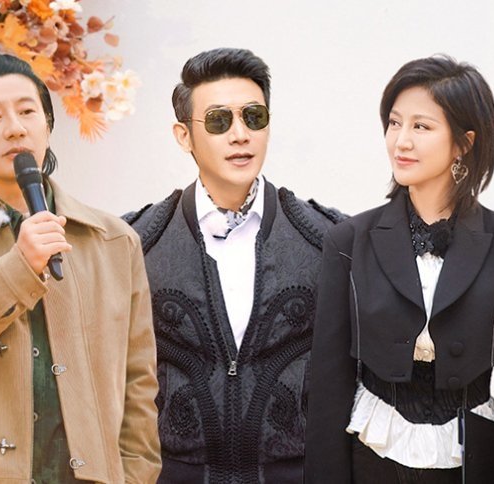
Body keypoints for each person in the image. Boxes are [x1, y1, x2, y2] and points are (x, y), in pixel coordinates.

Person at [0, 53, 161, 483]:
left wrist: (135, 475)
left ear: (47, 124)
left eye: (28, 112)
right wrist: (19, 265)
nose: (15, 128)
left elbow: (138, 380)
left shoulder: (112, 240)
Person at [305, 55, 494, 483]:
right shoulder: (348, 242)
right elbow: (327, 386)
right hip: (370, 457)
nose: (401, 141)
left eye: (421, 126)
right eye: (394, 123)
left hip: (471, 463)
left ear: (464, 143)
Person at [125, 47, 344, 483]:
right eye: (218, 121)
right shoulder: (135, 242)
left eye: (254, 117)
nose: (240, 135)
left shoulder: (328, 240)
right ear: (184, 136)